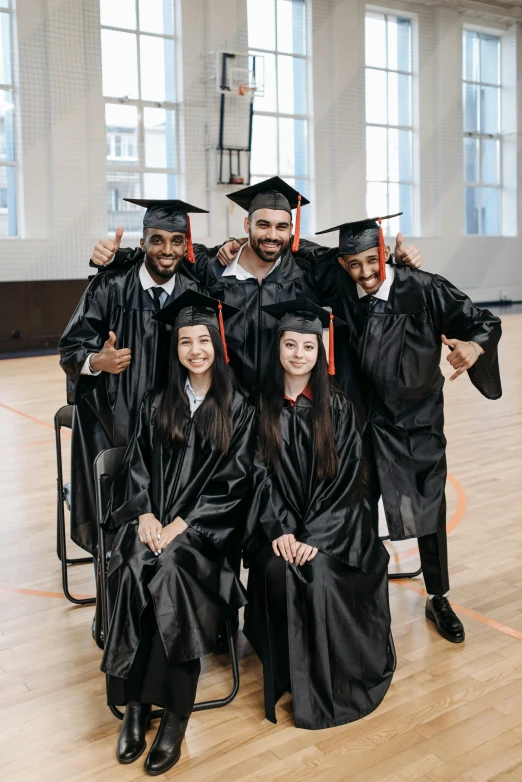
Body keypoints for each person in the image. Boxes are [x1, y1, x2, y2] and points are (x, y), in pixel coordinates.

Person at [301, 214, 502, 643]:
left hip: (415, 424)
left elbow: (485, 321)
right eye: (353, 264)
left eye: (371, 260)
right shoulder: (338, 282)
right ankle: (354, 593)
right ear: (342, 263)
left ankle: (439, 596)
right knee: (353, 509)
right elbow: (289, 246)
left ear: (385, 252)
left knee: (428, 510)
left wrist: (471, 345)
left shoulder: (423, 287)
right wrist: (227, 246)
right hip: (360, 426)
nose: (365, 272)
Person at [101, 290, 257, 774]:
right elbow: (136, 467)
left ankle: (174, 715)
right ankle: (134, 705)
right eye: (185, 341)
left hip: (204, 537)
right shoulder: (155, 402)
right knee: (131, 567)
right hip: (151, 526)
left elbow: (234, 485)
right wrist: (145, 516)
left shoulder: (239, 408)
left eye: (203, 340)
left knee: (169, 572)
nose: (195, 350)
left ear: (218, 344)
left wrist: (179, 527)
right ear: (175, 348)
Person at [243, 298, 395, 730]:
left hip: (334, 532)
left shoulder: (339, 409)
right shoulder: (261, 408)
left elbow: (348, 483)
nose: (298, 355)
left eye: (307, 347)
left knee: (321, 574)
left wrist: (313, 536)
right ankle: (294, 675)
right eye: (290, 345)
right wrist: (279, 529)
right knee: (279, 571)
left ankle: (329, 682)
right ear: (278, 349)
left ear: (319, 351)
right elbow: (256, 476)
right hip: (278, 532)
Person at [59, 200, 205, 560]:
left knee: (162, 518)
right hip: (111, 421)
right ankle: (110, 589)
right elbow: (70, 349)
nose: (166, 250)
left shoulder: (194, 292)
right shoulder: (109, 286)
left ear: (186, 246)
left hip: (170, 424)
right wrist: (97, 361)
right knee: (112, 519)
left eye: (175, 241)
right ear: (141, 245)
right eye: (157, 240)